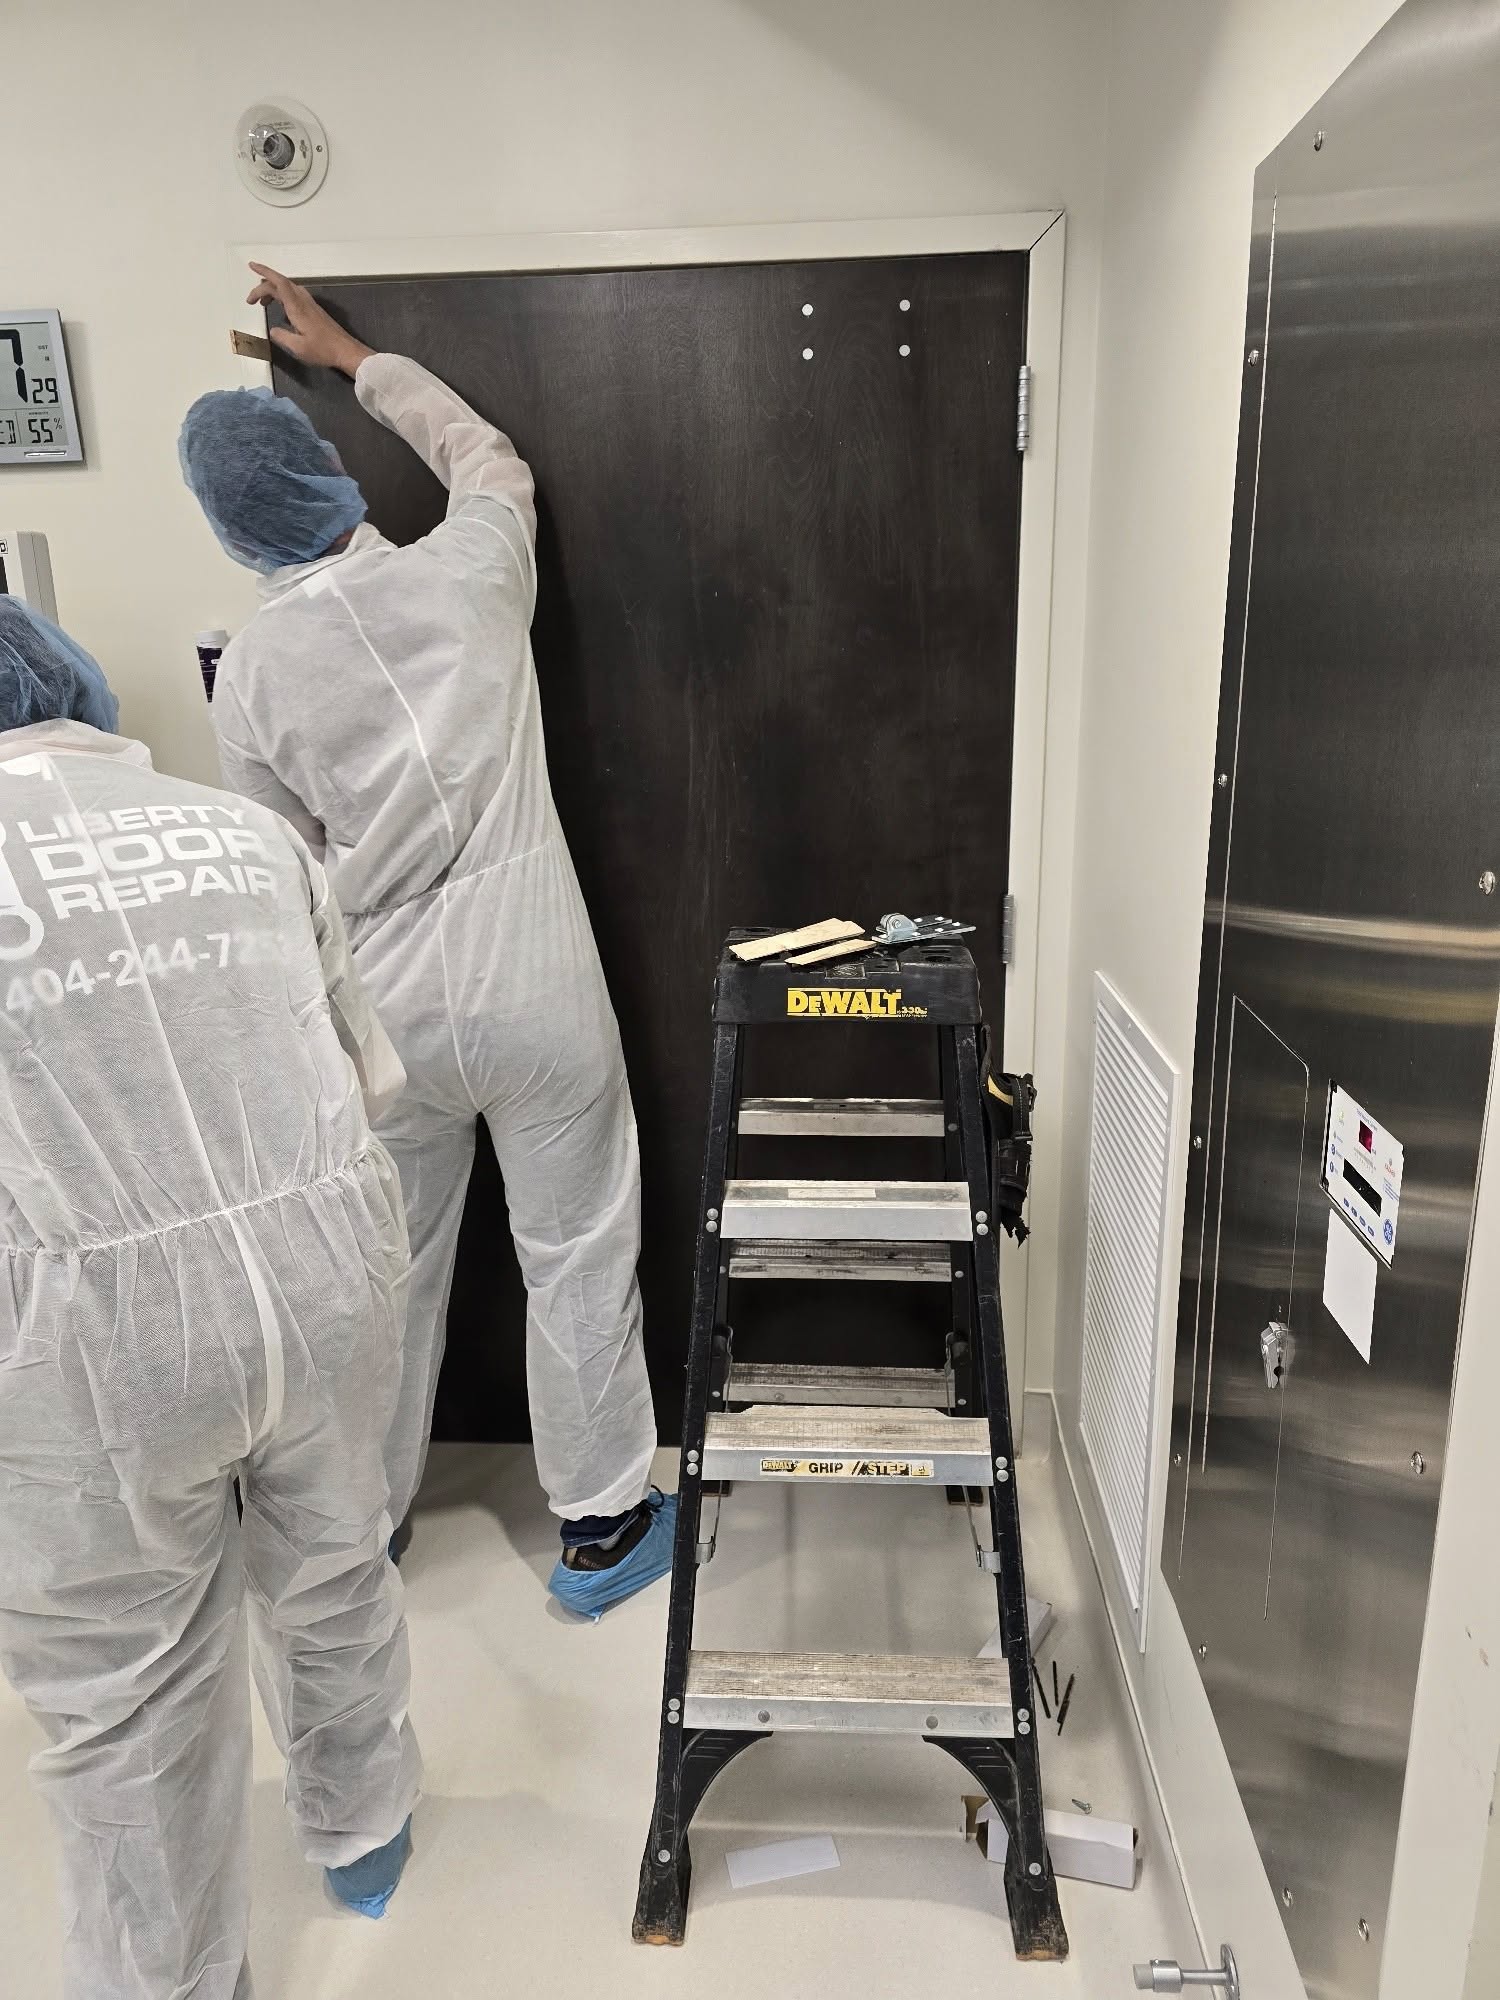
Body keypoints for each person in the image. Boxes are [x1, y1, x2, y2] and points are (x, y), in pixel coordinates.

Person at [178, 267, 669, 1615]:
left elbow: (281, 867)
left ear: (231, 526)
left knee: (388, 1280)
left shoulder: (253, 675)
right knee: (577, 1248)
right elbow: (487, 458)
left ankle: (365, 1528)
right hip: (535, 980)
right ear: (329, 477)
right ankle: (603, 1527)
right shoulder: (468, 572)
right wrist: (353, 358)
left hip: (385, 1013)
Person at [0, 599, 422, 2000]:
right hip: (323, 1274)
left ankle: (173, 1979)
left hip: (81, 1349)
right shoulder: (245, 834)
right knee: (336, 1566)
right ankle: (364, 1834)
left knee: (126, 1693)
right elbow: (370, 1078)